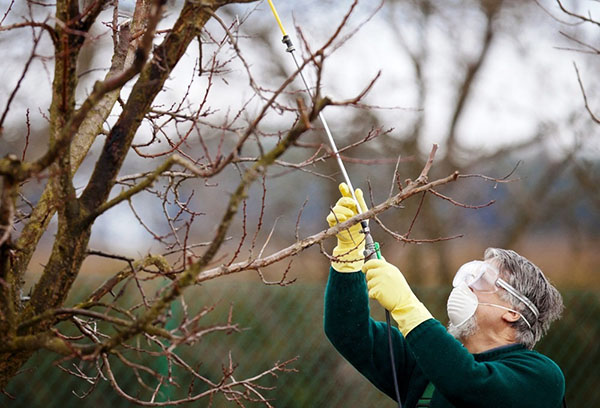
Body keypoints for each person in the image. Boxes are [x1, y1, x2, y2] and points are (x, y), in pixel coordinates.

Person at [323, 183, 566, 407]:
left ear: (514, 312)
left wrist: (407, 307)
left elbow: (468, 384)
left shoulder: (541, 376)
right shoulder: (425, 362)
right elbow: (347, 331)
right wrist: (348, 257)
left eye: (482, 280)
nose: (466, 286)